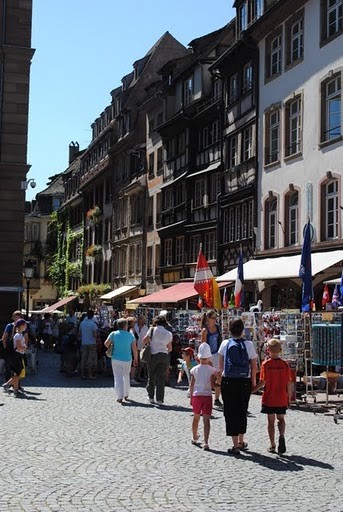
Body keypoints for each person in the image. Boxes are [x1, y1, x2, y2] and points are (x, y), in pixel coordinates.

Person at [218, 318, 257, 455]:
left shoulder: (225, 343)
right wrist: (253, 382)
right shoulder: (249, 344)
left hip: (228, 380)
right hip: (244, 381)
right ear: (242, 330)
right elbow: (253, 365)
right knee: (242, 410)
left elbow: (221, 366)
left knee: (230, 411)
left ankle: (235, 445)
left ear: (230, 329)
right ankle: (241, 440)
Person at [254, 339, 292, 454]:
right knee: (281, 419)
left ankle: (272, 444)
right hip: (281, 397)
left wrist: (253, 390)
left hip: (269, 397)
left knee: (270, 422)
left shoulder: (266, 364)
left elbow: (263, 382)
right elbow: (288, 383)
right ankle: (281, 435)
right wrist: (289, 398)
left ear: (268, 350)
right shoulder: (285, 365)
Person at [189, 343, 220, 451]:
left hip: (197, 395)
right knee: (206, 420)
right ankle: (206, 442)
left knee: (196, 417)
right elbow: (216, 380)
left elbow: (191, 384)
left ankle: (194, 436)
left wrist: (191, 398)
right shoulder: (212, 370)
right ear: (209, 357)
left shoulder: (194, 369)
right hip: (207, 396)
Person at [104, 317, 138, 404]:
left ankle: (119, 396)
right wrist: (136, 358)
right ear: (126, 326)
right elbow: (134, 348)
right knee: (126, 376)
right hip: (127, 358)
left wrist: (112, 344)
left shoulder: (113, 334)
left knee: (117, 377)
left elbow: (106, 344)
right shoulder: (130, 335)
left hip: (116, 358)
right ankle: (126, 394)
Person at [142, 315, 172, 405]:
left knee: (151, 376)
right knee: (161, 378)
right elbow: (170, 348)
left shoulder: (152, 330)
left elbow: (144, 341)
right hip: (164, 356)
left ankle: (151, 396)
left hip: (153, 355)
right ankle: (160, 399)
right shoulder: (168, 333)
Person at [200, 309, 222, 407]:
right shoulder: (205, 330)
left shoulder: (217, 327)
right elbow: (203, 345)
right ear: (208, 318)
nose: (215, 320)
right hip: (208, 356)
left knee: (218, 376)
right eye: (213, 318)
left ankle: (217, 399)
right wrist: (206, 359)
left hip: (217, 354)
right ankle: (207, 398)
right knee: (209, 378)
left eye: (215, 318)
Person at [3, 319, 28, 397]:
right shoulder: (18, 335)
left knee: (17, 373)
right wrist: (24, 347)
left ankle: (15, 389)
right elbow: (18, 347)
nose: (26, 326)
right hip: (17, 356)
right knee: (19, 373)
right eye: (25, 325)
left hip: (18, 356)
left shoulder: (20, 334)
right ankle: (7, 384)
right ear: (22, 326)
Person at [78, 309, 98, 379]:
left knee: (83, 359)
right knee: (90, 359)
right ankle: (90, 374)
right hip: (92, 343)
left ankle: (83, 374)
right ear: (93, 316)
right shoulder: (93, 324)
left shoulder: (82, 323)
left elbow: (79, 334)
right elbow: (95, 335)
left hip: (84, 342)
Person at [134, 315, 149, 381]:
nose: (141, 320)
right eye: (140, 319)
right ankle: (133, 375)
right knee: (135, 362)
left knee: (141, 363)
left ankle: (138, 376)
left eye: (142, 319)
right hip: (134, 346)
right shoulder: (135, 326)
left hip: (142, 346)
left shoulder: (146, 328)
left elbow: (147, 337)